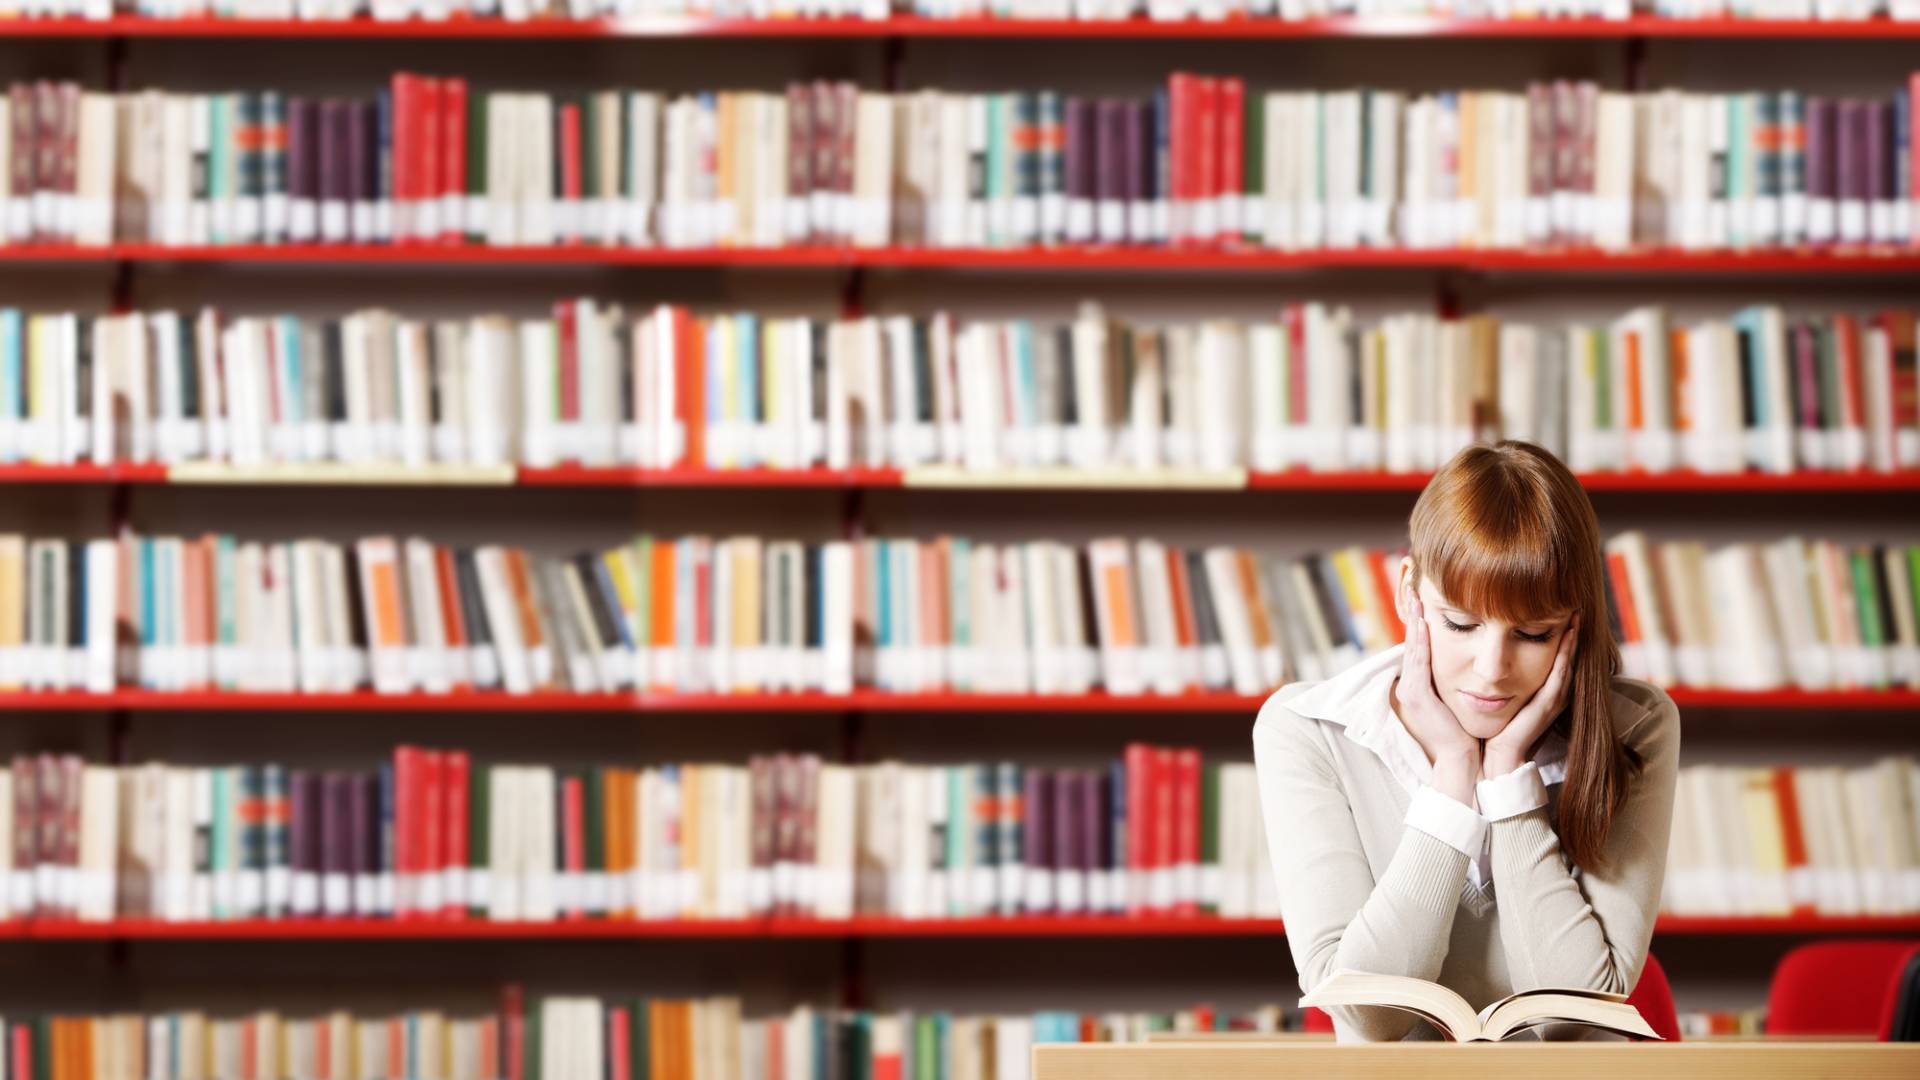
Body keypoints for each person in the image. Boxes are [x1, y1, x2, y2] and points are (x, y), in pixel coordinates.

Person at [1253, 440, 1680, 1042]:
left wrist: (1508, 781)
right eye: (1460, 624)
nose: (1491, 668)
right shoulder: (1309, 729)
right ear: (1409, 593)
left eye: (1533, 633)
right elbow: (1370, 1017)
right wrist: (1454, 777)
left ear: (1575, 625)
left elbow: (1569, 1019)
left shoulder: (1636, 727)